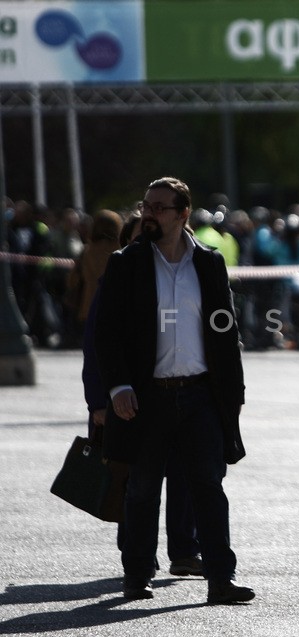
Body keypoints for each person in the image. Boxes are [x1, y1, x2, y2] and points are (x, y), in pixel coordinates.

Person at [94, 176, 254, 604]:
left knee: (208, 488)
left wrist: (232, 394)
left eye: (160, 207)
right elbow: (106, 333)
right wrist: (118, 387)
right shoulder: (126, 263)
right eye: (146, 206)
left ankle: (220, 578)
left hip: (201, 395)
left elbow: (225, 331)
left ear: (183, 214)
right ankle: (137, 575)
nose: (149, 214)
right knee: (143, 489)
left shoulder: (209, 262)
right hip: (148, 397)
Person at [81, 210, 203, 579]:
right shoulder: (117, 277)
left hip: (181, 395)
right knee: (135, 481)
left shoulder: (189, 274)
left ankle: (184, 551)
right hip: (132, 399)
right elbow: (96, 344)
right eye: (137, 239)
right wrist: (99, 401)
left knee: (185, 477)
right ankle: (138, 555)